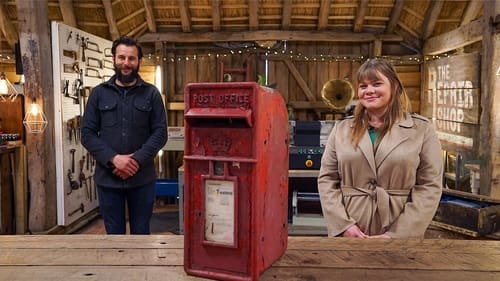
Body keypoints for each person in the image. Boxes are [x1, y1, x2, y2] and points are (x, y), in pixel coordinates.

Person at [318, 58, 442, 238]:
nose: (369, 91)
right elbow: (327, 180)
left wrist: (398, 234)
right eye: (363, 86)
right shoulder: (341, 129)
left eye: (376, 84)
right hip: (352, 229)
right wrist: (343, 226)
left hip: (399, 229)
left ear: (395, 87)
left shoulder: (422, 129)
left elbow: (429, 186)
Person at [81, 36, 167, 234]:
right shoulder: (98, 94)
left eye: (131, 59)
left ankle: (140, 267)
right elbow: (87, 133)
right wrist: (114, 159)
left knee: (141, 233)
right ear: (113, 59)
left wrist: (135, 161)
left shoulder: (151, 94)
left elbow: (160, 132)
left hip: (142, 179)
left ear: (139, 61)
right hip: (108, 178)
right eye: (121, 58)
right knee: (114, 236)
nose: (126, 63)